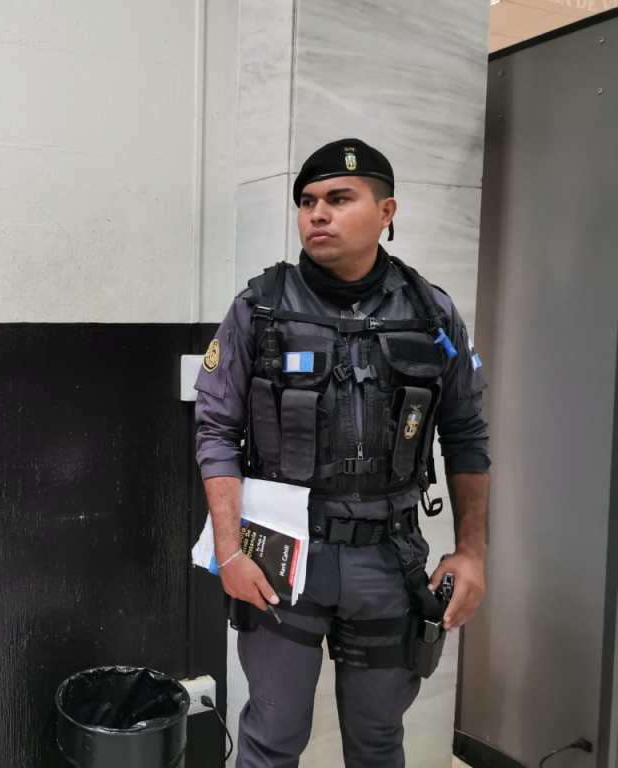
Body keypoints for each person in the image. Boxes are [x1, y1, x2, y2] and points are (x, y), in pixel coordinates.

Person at [194, 138, 490, 767]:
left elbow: (467, 434)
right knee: (271, 739)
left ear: (386, 212)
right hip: (282, 560)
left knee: (378, 741)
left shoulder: (430, 313)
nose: (317, 214)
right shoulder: (260, 308)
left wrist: (471, 552)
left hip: (389, 561)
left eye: (338, 198)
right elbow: (215, 431)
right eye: (307, 202)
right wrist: (229, 552)